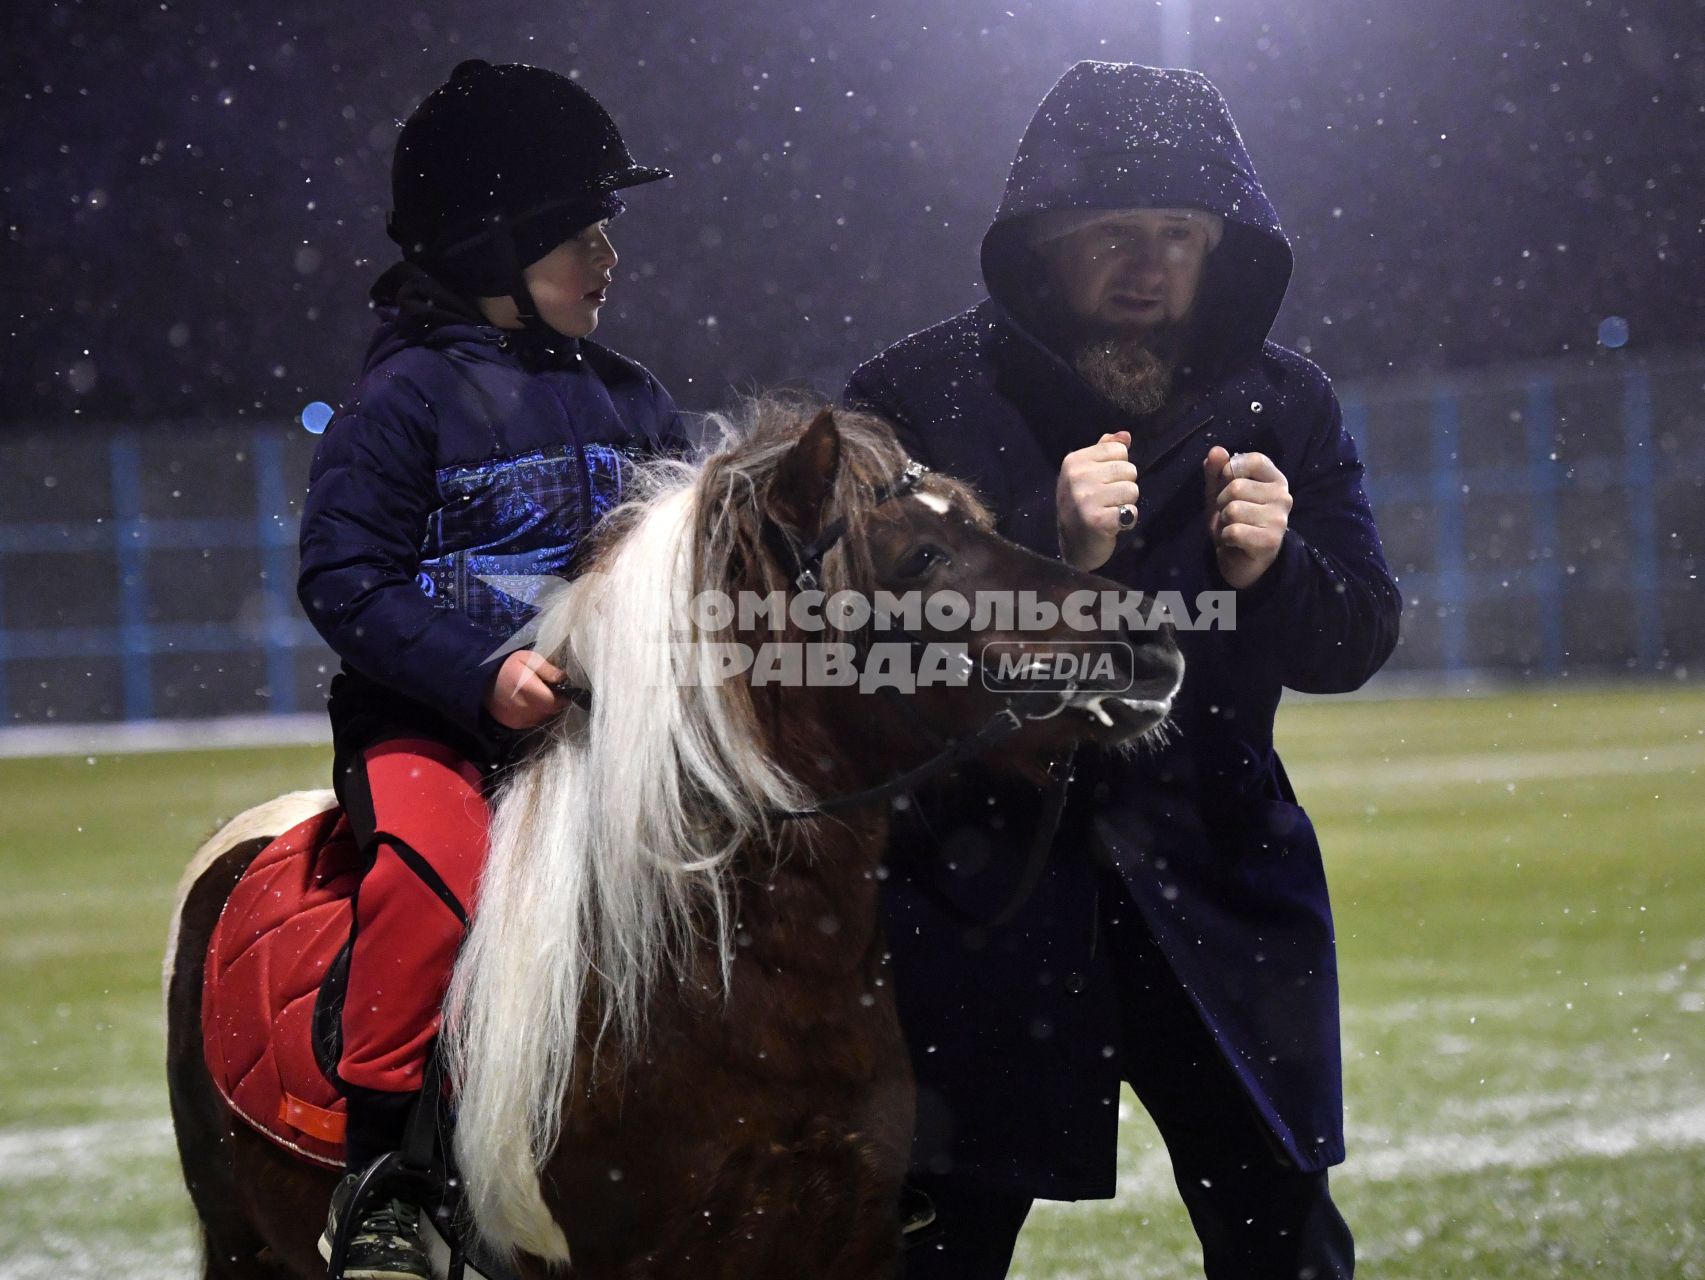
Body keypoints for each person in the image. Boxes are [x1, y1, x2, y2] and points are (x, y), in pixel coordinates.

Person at [846, 62, 1401, 1278]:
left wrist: (1280, 568)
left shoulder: (1284, 402)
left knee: (1286, 1244)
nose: (1146, 265)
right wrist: (1049, 556)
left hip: (1221, 883)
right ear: (1041, 247)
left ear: (1222, 250)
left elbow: (1358, 635)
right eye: (1110, 232)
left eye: (1177, 234)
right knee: (927, 1250)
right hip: (979, 901)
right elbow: (851, 662)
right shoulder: (914, 396)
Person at [296, 59, 687, 1280]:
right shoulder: (401, 399)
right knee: (430, 877)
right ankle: (385, 1174)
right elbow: (344, 579)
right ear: (489, 245)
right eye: (581, 233)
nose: (608, 257)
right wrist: (479, 676)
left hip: (599, 730)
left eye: (607, 231)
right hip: (434, 725)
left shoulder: (637, 400)